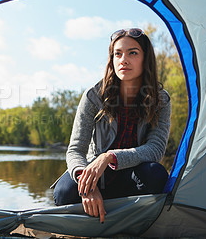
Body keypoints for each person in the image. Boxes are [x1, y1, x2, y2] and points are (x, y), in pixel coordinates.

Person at [52, 28, 171, 223]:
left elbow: (156, 149)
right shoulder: (93, 96)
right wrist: (87, 184)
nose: (123, 59)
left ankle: (121, 218)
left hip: (131, 179)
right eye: (118, 53)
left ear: (145, 58)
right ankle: (98, 211)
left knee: (156, 175)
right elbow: (75, 150)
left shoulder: (160, 100)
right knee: (65, 192)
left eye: (132, 52)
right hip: (94, 175)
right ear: (112, 59)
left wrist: (109, 157)